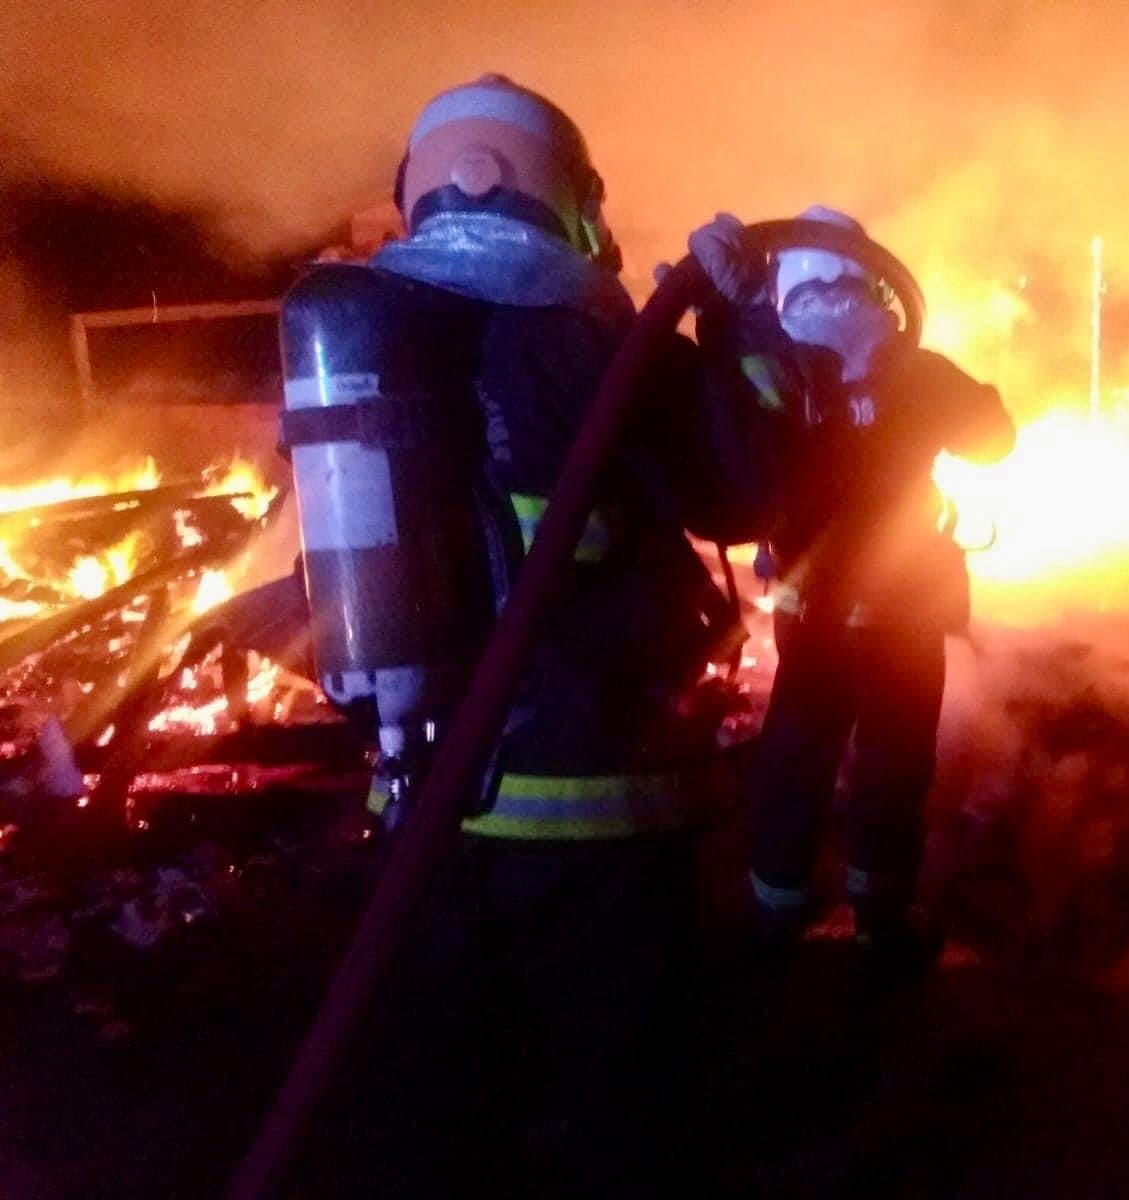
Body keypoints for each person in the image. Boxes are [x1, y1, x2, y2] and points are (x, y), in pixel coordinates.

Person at [312, 75, 800, 1196]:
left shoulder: (369, 339)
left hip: (424, 802)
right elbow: (748, 496)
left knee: (439, 1087)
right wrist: (742, 326)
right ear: (572, 197)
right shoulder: (603, 352)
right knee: (618, 1093)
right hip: (600, 817)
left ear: (417, 195)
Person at [747, 206, 1014, 974]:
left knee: (795, 756)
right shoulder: (915, 368)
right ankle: (880, 923)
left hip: (810, 613)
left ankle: (775, 919)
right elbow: (996, 439)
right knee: (894, 764)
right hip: (902, 616)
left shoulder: (779, 369)